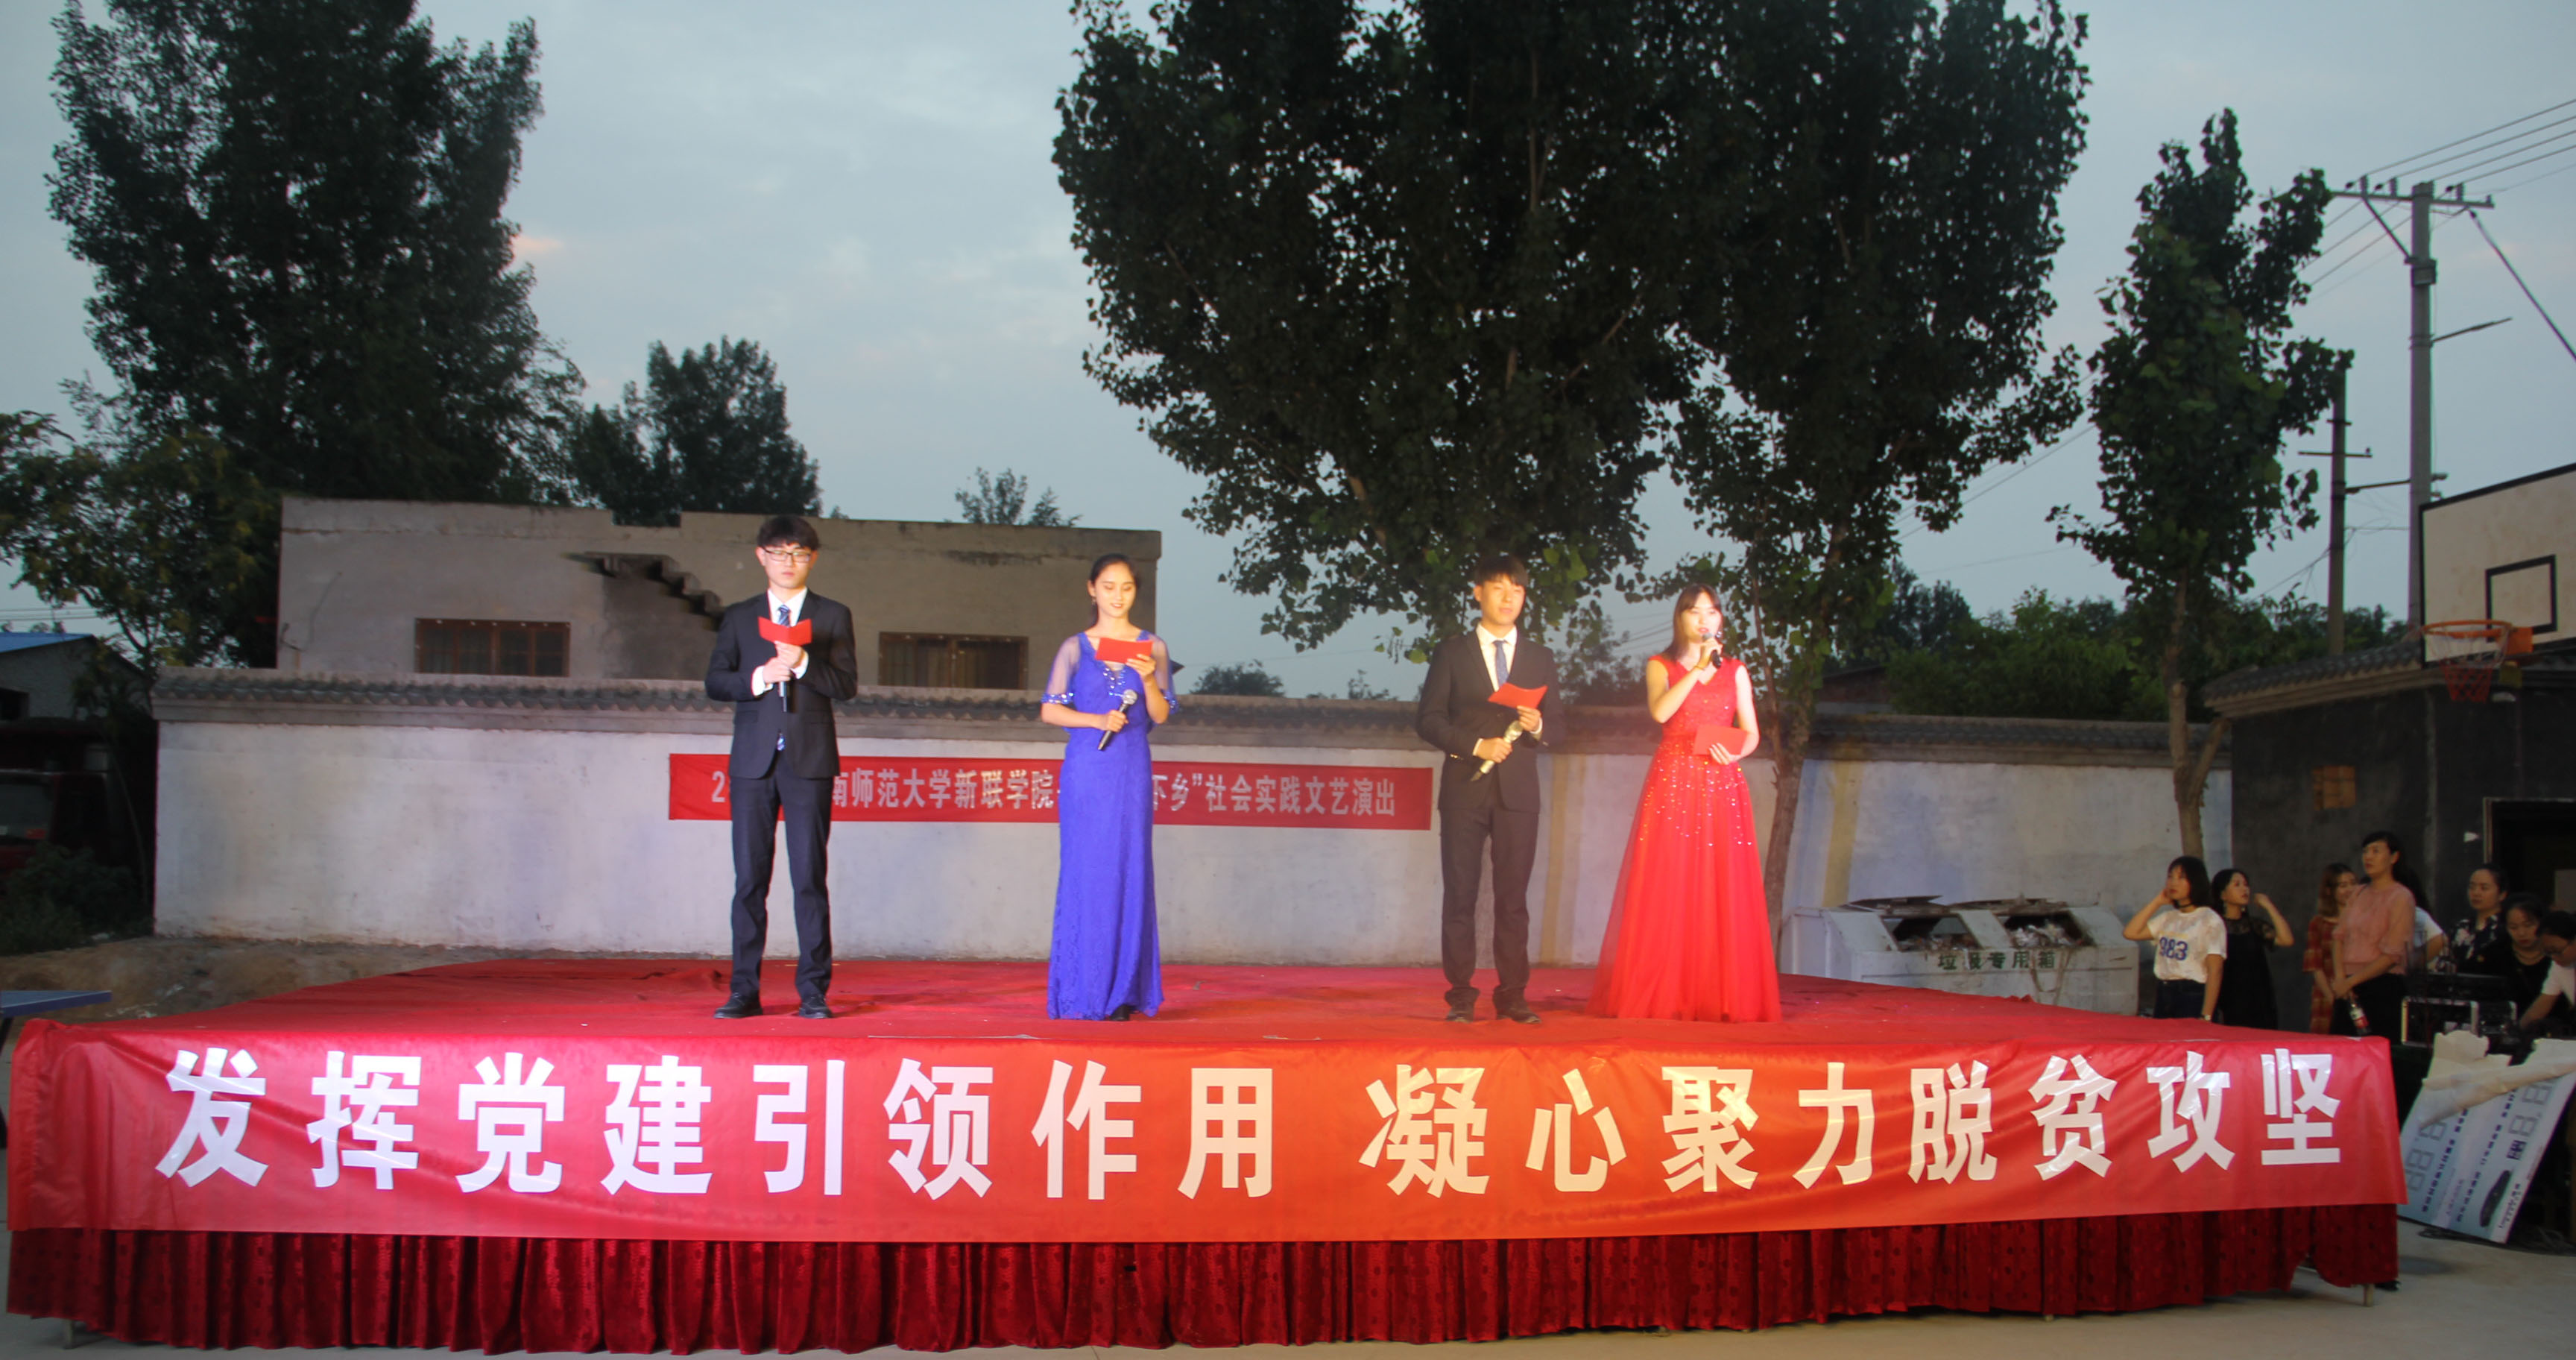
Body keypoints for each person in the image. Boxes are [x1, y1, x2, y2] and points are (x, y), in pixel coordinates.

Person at [1587, 585, 1781, 1023]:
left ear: (1721, 620)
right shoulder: (1661, 665)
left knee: (1721, 888)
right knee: (1669, 885)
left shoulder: (1737, 671)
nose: (1704, 619)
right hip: (1674, 781)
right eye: (1695, 612)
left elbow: (1752, 732)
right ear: (1680, 618)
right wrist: (1697, 670)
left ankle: (1719, 994)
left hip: (1721, 783)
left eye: (1712, 612)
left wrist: (1736, 751)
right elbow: (1660, 713)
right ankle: (1665, 992)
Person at [706, 515, 860, 1019]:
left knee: (809, 878)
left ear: (812, 559)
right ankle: (743, 991)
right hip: (753, 763)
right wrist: (759, 677)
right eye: (779, 552)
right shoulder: (739, 617)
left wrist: (804, 665)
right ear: (761, 557)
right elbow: (715, 681)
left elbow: (846, 685)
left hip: (809, 761)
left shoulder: (832, 615)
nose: (788, 562)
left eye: (798, 553)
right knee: (749, 880)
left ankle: (813, 991)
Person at [1415, 555, 1565, 1024]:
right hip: (1464, 787)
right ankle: (1461, 995)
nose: (1508, 598)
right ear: (1478, 592)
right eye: (1498, 587)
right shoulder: (1452, 652)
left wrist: (1537, 725)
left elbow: (1559, 727)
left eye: (1517, 590)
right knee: (1460, 893)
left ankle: (1513, 995)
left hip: (1518, 793)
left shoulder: (1540, 657)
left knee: (1513, 898)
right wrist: (1476, 745)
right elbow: (1428, 720)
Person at [1039, 554, 1172, 1021]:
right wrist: (1096, 720)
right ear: (1092, 589)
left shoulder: (1152, 646)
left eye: (1127, 587)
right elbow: (1050, 709)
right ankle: (1083, 988)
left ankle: (1124, 992)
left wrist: (1149, 678)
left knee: (1128, 868)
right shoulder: (1075, 648)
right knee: (1087, 870)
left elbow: (1160, 714)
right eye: (1109, 586)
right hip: (1087, 769)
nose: (1118, 596)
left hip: (1130, 768)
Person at [2331, 830, 2419, 1039]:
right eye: (2365, 852)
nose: (2368, 857)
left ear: (2394, 857)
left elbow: (2392, 955)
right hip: (2347, 986)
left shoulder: (2401, 897)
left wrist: (2351, 982)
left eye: (2376, 851)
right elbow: (2338, 937)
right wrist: (2342, 979)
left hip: (2381, 985)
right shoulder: (2358, 892)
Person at [2124, 856, 2226, 1021]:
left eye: (2181, 878)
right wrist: (2157, 902)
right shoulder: (2168, 917)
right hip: (2165, 990)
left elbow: (2215, 970)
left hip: (2192, 993)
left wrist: (2206, 1015)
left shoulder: (2209, 920)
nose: (2173, 883)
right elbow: (2130, 933)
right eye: (2170, 877)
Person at [2212, 867, 2291, 1029]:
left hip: (2258, 998)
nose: (2244, 889)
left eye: (2246, 885)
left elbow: (2286, 940)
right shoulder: (2215, 926)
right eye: (2237, 885)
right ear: (2223, 895)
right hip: (2229, 997)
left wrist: (2269, 906)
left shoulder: (2254, 925)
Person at [2482, 896, 2557, 1028]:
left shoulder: (2558, 955)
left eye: (2528, 925)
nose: (2521, 933)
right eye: (2513, 927)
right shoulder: (2492, 955)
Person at [2304, 863, 2356, 1034]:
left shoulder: (2363, 921)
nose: (2350, 890)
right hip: (2328, 994)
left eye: (2353, 884)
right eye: (2343, 886)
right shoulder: (2319, 923)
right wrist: (2332, 998)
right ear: (2329, 891)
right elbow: (2315, 966)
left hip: (2356, 990)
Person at [2517, 908, 2576, 1036]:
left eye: (2557, 951)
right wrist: (2515, 1034)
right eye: (2548, 953)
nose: (2554, 958)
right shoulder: (2559, 966)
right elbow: (2540, 1008)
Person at [2447, 863, 2510, 972]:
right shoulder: (2461, 927)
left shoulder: (2506, 927)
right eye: (2472, 887)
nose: (2476, 893)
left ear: (2502, 894)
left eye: (2484, 888)